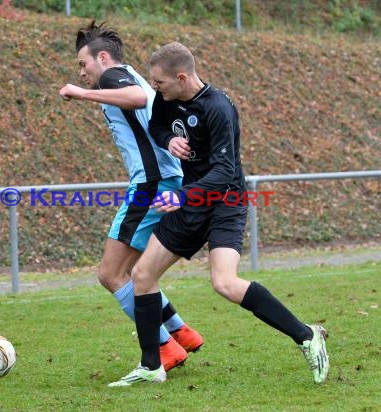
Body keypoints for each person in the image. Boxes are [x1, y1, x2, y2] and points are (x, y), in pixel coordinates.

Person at [108, 42, 329, 387]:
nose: (155, 89)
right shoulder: (168, 101)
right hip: (191, 203)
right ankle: (151, 366)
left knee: (224, 282)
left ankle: (306, 336)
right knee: (142, 275)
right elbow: (155, 127)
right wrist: (168, 141)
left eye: (159, 83)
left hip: (225, 202)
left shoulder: (219, 108)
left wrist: (181, 194)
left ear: (181, 77)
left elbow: (225, 171)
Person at [58, 22, 203, 372]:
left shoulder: (113, 78)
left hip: (151, 184)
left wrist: (82, 92)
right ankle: (180, 331)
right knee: (136, 271)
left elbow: (138, 99)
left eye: (84, 64)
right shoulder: (131, 73)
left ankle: (165, 349)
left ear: (102, 57)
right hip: (165, 181)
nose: (82, 71)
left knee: (110, 274)